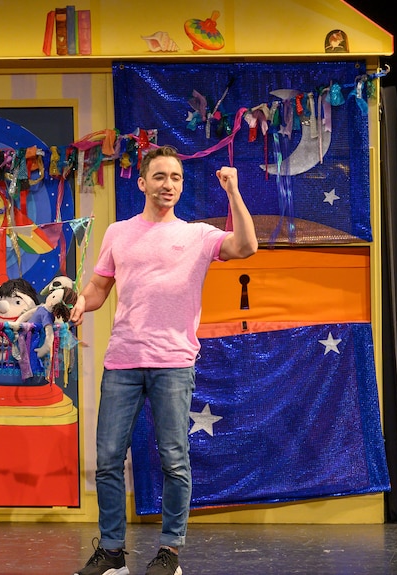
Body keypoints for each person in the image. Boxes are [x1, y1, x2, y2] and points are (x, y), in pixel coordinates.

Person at [69, 146, 258, 575]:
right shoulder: (119, 232)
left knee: (174, 458)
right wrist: (81, 302)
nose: (167, 184)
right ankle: (113, 553)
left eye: (175, 177)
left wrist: (233, 192)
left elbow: (246, 245)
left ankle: (170, 552)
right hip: (123, 360)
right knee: (108, 459)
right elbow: (100, 287)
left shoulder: (198, 235)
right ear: (142, 183)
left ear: (180, 185)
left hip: (174, 362)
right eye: (159, 176)